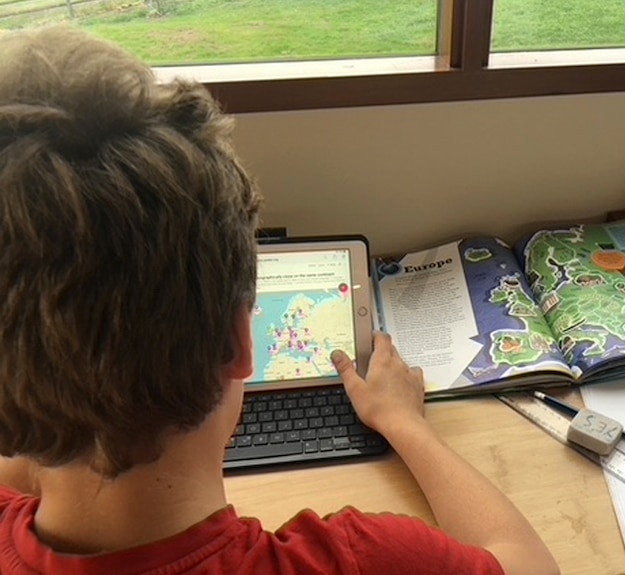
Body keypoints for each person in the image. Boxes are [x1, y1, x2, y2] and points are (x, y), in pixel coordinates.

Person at [0, 26, 560, 575]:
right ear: (241, 342)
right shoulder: (363, 560)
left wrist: (51, 422)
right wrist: (404, 423)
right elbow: (529, 565)